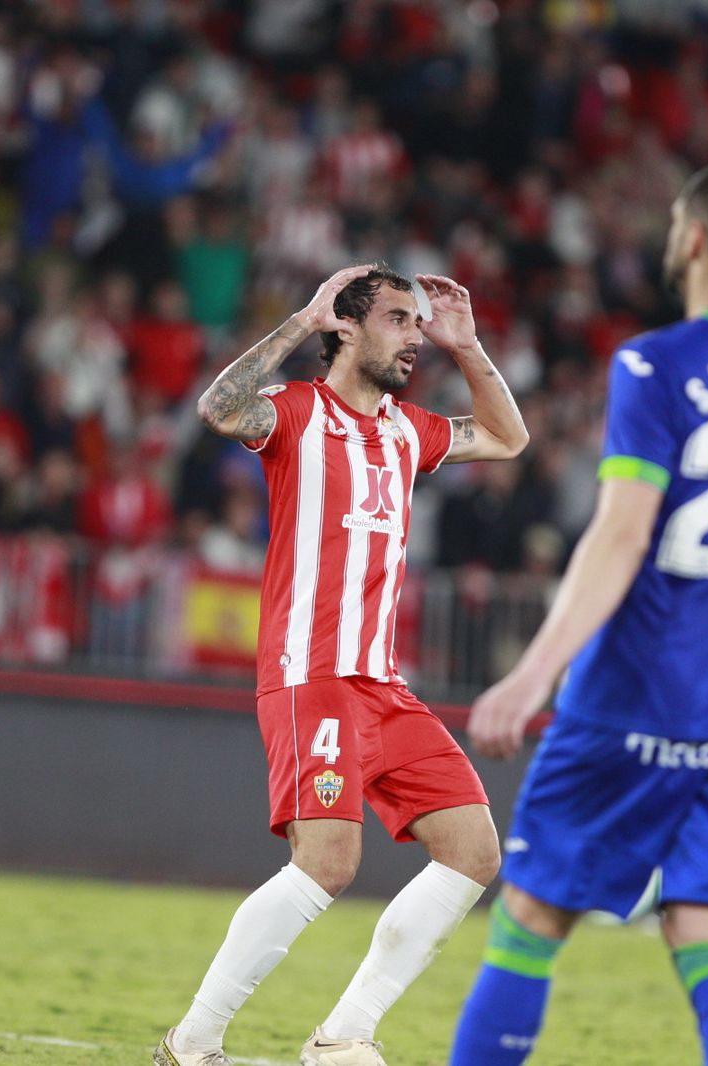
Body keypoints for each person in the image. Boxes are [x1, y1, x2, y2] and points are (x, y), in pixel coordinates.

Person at [449, 162, 708, 1066]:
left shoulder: (654, 362)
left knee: (532, 915)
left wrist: (533, 672)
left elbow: (622, 532)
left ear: (694, 238)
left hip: (632, 700)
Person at [154, 262, 529, 1066]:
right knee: (327, 863)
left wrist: (467, 346)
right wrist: (303, 319)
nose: (414, 337)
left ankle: (342, 1035)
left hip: (383, 688)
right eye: (398, 319)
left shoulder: (408, 430)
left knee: (474, 852)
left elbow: (507, 438)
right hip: (310, 675)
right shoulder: (295, 413)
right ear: (347, 327)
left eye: (418, 323)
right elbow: (217, 408)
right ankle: (194, 1041)